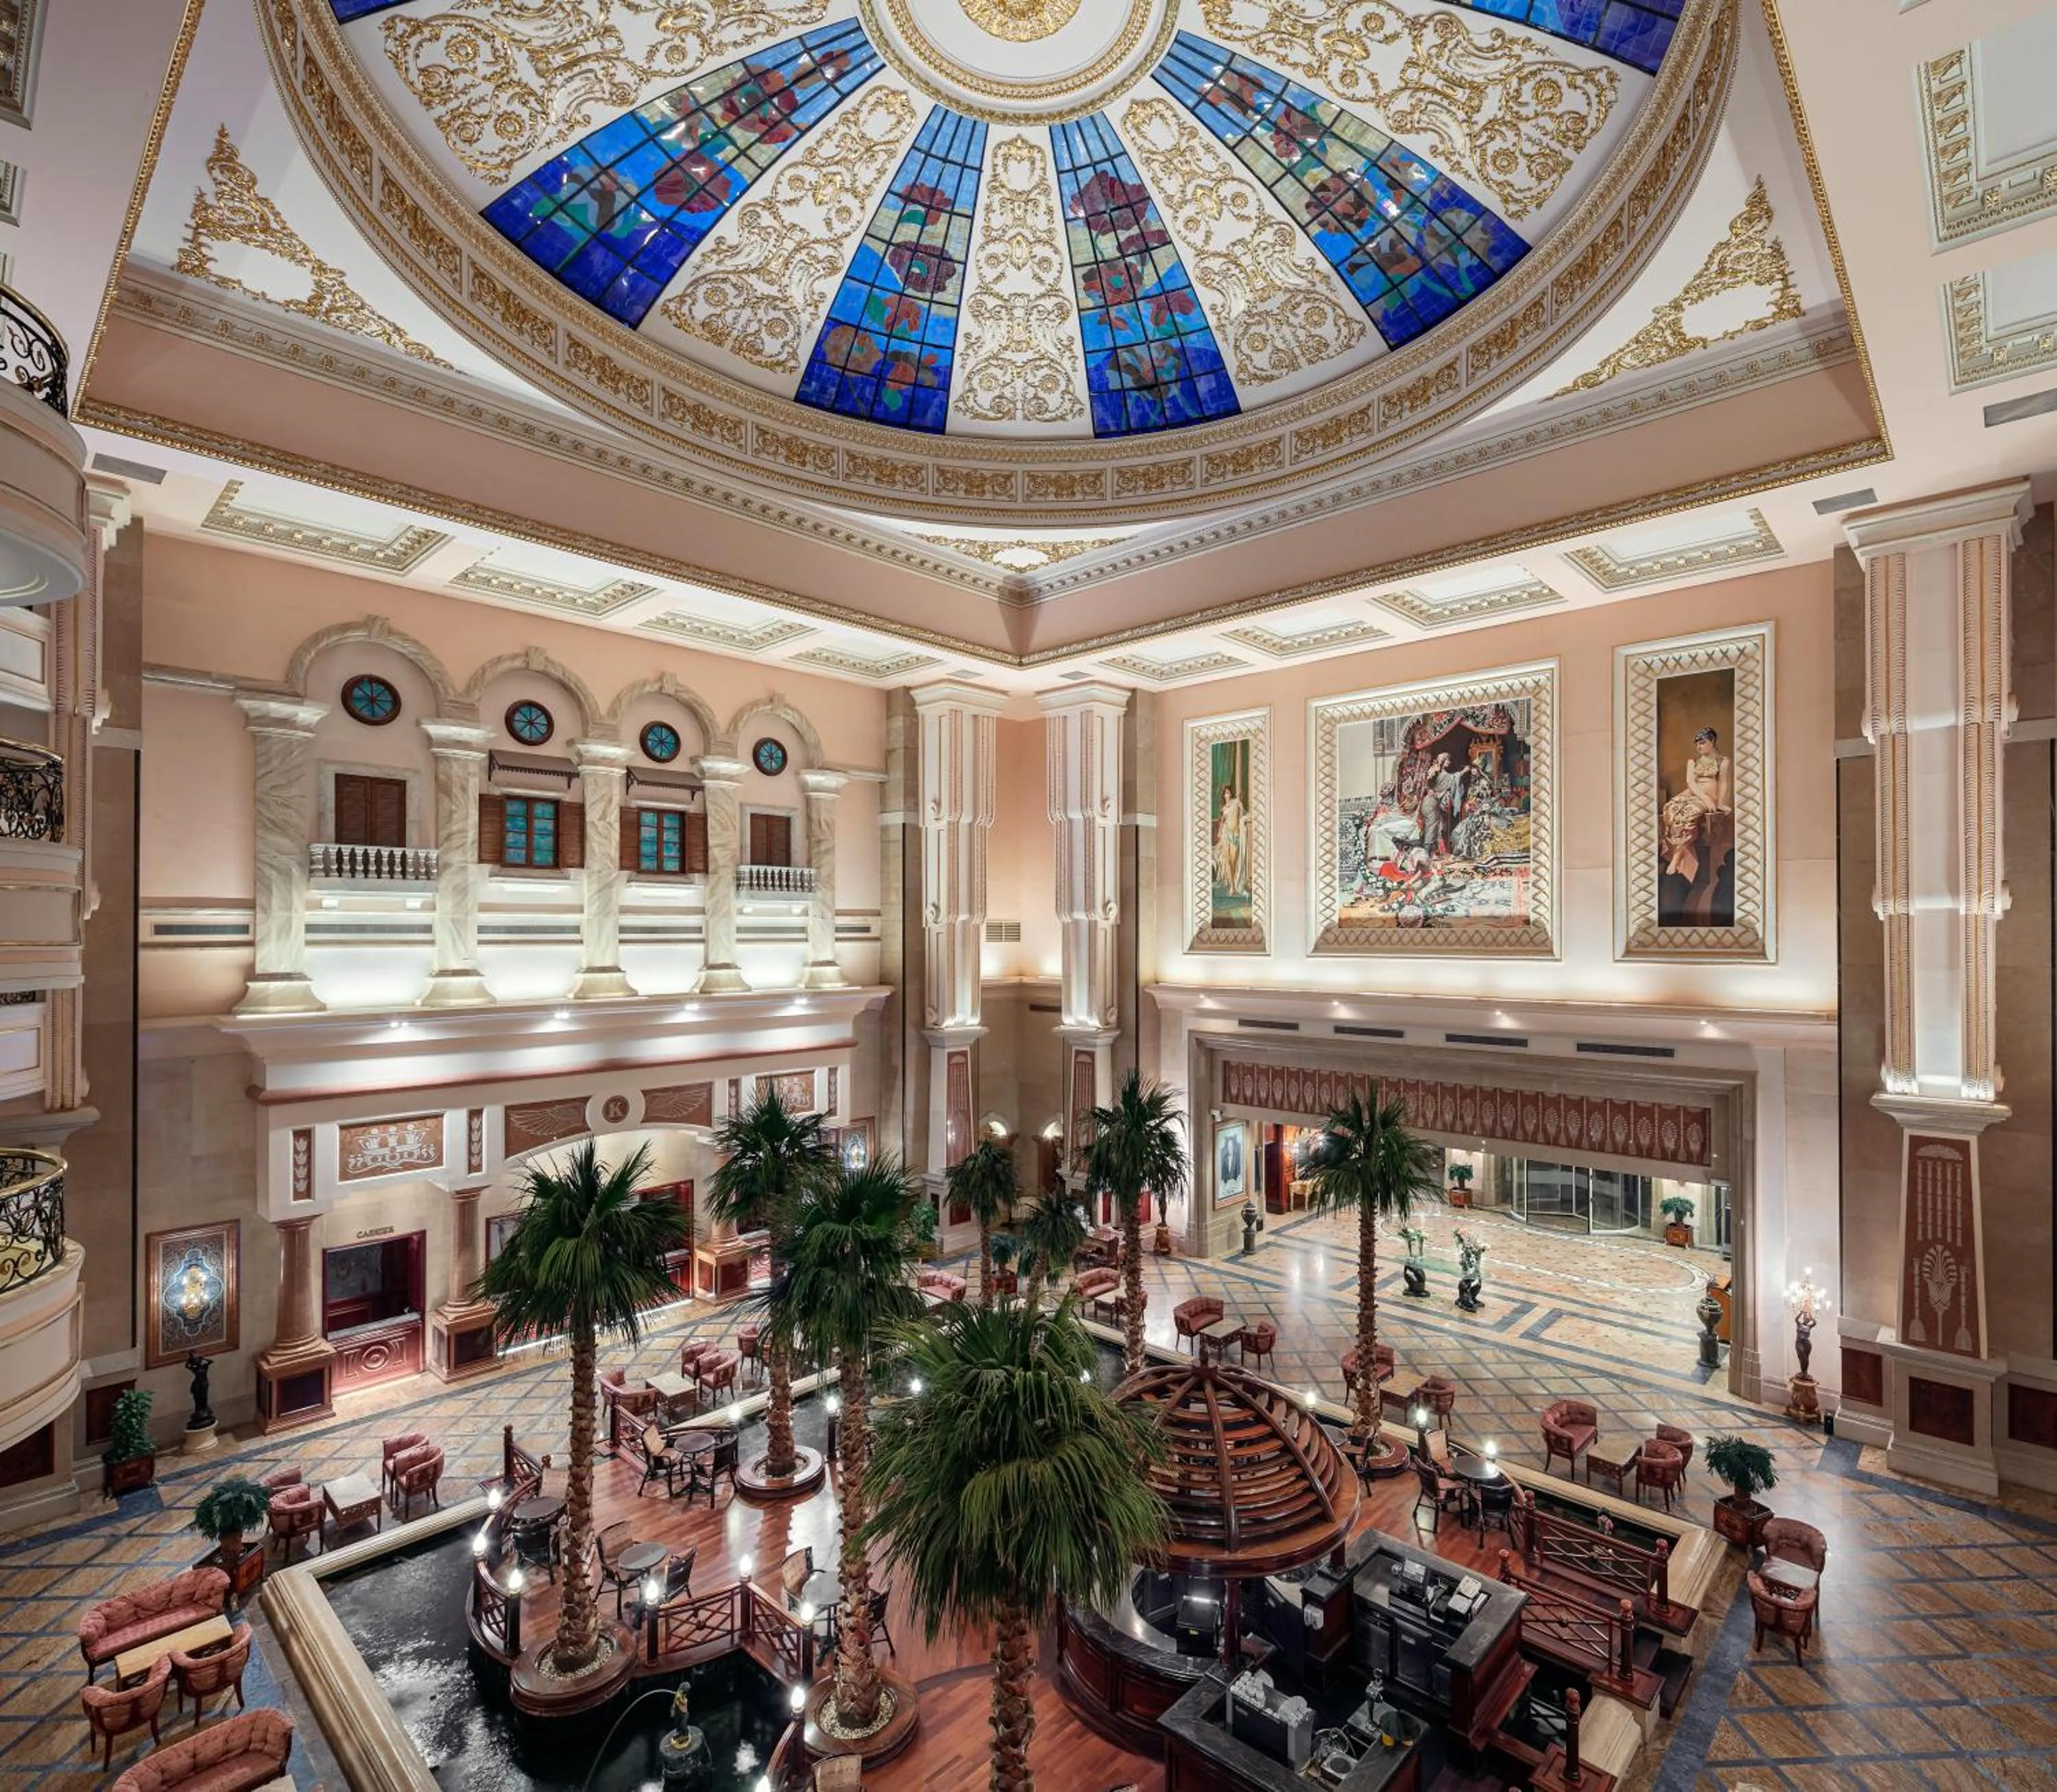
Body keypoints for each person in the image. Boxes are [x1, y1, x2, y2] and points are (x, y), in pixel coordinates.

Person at [1660, 727, 1734, 919]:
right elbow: (1691, 783)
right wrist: (1703, 797)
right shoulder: (1693, 761)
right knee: (1671, 808)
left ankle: (1677, 858)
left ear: (1712, 742)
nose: (1699, 747)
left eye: (1703, 743)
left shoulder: (1723, 761)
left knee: (1688, 813)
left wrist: (1720, 802)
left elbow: (1724, 783)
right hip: (1695, 793)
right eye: (1697, 744)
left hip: (1711, 796)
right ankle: (1677, 851)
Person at [1419, 751, 1467, 858]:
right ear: (1443, 761)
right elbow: (1453, 778)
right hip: (1430, 804)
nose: (1449, 762)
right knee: (1431, 828)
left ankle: (1433, 853)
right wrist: (1464, 771)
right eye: (1447, 760)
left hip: (1432, 803)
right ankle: (1426, 854)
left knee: (1437, 828)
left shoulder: (1439, 772)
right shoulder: (1439, 773)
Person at [1213, 779, 1247, 900]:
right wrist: (1219, 832)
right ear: (1224, 795)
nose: (1229, 794)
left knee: (1234, 861)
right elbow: (1222, 822)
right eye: (1227, 793)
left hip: (1235, 835)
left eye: (1229, 792)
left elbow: (1242, 814)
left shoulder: (1236, 803)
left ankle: (1235, 885)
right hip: (1225, 835)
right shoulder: (1223, 808)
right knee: (1228, 861)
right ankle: (1232, 887)